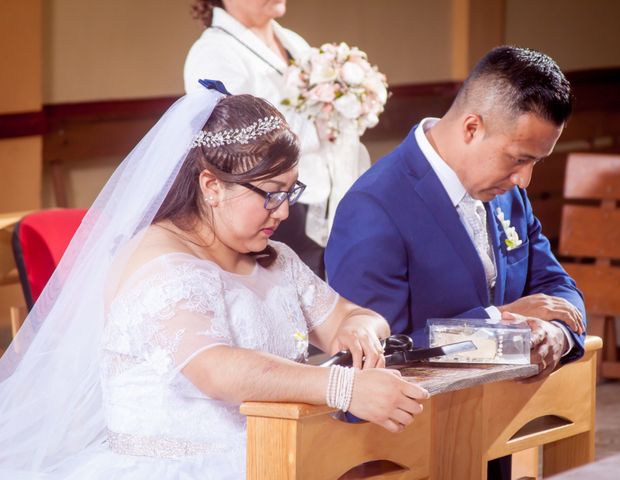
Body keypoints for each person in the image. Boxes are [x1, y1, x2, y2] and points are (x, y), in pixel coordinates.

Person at [0, 83, 427, 479]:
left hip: (277, 455)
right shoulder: (159, 263)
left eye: (291, 192)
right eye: (271, 194)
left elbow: (352, 316)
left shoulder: (275, 259)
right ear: (212, 186)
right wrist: (343, 386)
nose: (283, 212)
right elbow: (215, 368)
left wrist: (361, 330)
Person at [325, 46, 587, 478]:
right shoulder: (374, 207)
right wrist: (496, 321)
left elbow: (560, 290)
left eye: (536, 162)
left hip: (492, 438)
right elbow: (376, 363)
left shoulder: (507, 192)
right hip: (412, 456)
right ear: (471, 127)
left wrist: (556, 336)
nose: (525, 180)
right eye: (519, 159)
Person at [184, 0, 371, 277]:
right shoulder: (212, 52)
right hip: (273, 203)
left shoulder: (292, 41)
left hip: (323, 195)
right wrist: (317, 127)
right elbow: (233, 143)